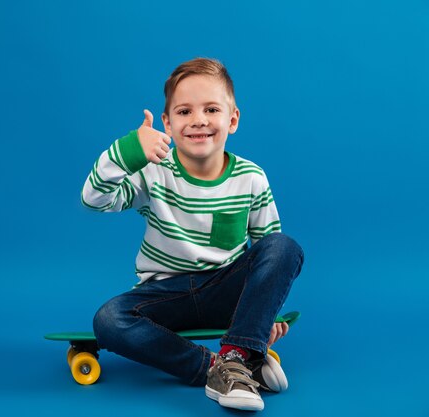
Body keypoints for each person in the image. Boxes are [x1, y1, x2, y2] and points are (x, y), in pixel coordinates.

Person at [81, 57, 304, 412]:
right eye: (184, 112)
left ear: (232, 120)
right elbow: (94, 200)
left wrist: (266, 311)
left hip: (224, 291)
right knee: (108, 320)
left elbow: (267, 252)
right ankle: (221, 368)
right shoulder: (153, 172)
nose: (199, 120)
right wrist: (126, 153)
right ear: (167, 124)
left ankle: (239, 351)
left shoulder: (251, 177)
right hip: (166, 295)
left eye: (211, 109)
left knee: (284, 246)